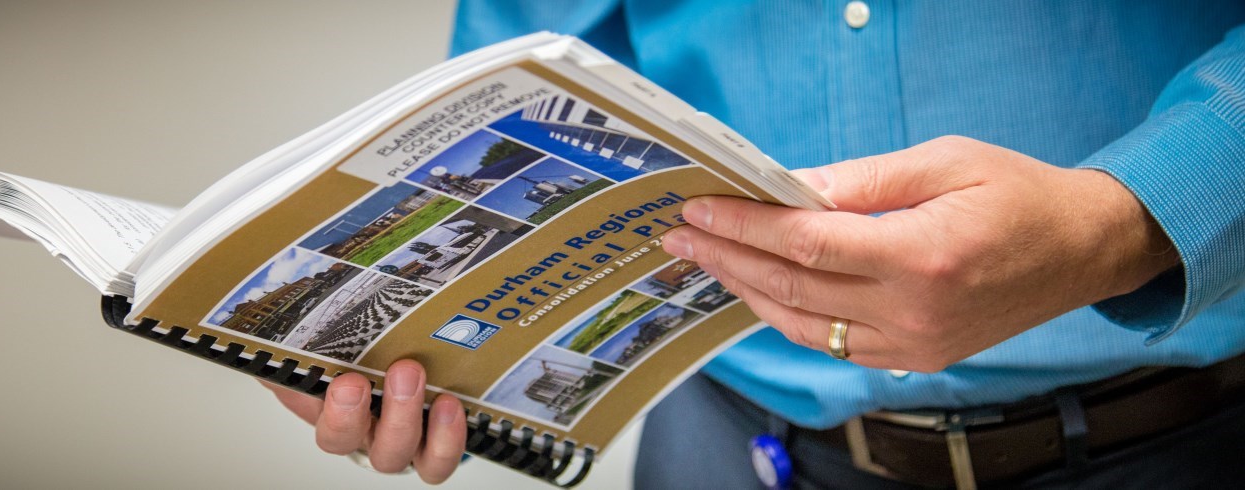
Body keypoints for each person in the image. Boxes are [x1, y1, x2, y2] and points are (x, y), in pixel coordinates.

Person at [264, 1, 1245, 487]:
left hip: (1183, 443)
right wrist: (403, 316)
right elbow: (529, 65)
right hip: (727, 447)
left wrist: (1123, 220)